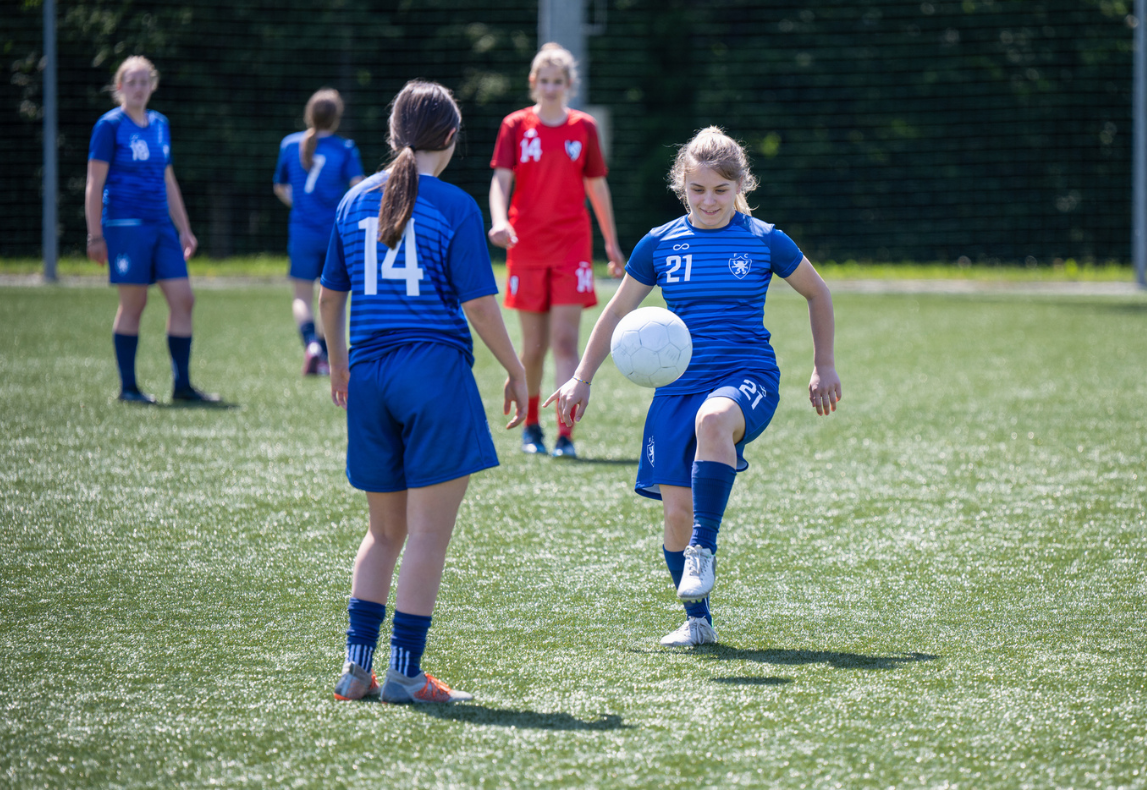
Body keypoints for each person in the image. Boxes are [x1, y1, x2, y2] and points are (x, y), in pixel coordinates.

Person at [546, 127, 842, 647]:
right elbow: (618, 311)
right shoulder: (659, 243)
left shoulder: (763, 238)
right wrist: (580, 377)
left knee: (713, 422)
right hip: (677, 387)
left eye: (721, 191)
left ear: (740, 187)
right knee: (676, 513)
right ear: (682, 186)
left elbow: (817, 294)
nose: (709, 201)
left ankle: (703, 551)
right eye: (697, 190)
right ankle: (698, 621)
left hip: (747, 375)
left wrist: (824, 365)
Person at [319, 80, 528, 704]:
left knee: (383, 534)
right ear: (452, 139)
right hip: (433, 374)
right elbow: (481, 307)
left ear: (393, 135)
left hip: (369, 376)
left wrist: (337, 363)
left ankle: (357, 671)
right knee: (428, 535)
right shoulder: (456, 205)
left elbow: (331, 297)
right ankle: (406, 676)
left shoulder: (352, 200)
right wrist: (516, 371)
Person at [488, 42, 625, 459]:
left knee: (566, 343)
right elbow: (500, 180)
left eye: (557, 81)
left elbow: (596, 186)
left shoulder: (583, 128)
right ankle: (532, 426)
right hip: (526, 247)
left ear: (569, 85)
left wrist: (611, 241)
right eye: (543, 80)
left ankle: (566, 434)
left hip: (571, 247)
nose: (550, 87)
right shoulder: (515, 125)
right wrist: (499, 219)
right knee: (533, 347)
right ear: (533, 83)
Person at [85, 56, 218, 404]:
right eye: (132, 81)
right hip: (125, 225)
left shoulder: (160, 124)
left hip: (161, 225)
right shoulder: (109, 126)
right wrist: (94, 234)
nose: (139, 87)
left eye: (145, 81)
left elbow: (167, 179)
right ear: (119, 87)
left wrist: (184, 229)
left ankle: (182, 386)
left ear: (153, 86)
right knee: (135, 302)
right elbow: (94, 183)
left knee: (183, 299)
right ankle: (129, 388)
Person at [273, 88, 365, 376]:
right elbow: (358, 188)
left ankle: (311, 346)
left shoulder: (289, 144)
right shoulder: (345, 148)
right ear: (336, 118)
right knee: (332, 295)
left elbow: (280, 186)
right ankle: (324, 353)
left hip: (301, 231)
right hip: (334, 233)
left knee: (301, 295)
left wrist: (300, 204)